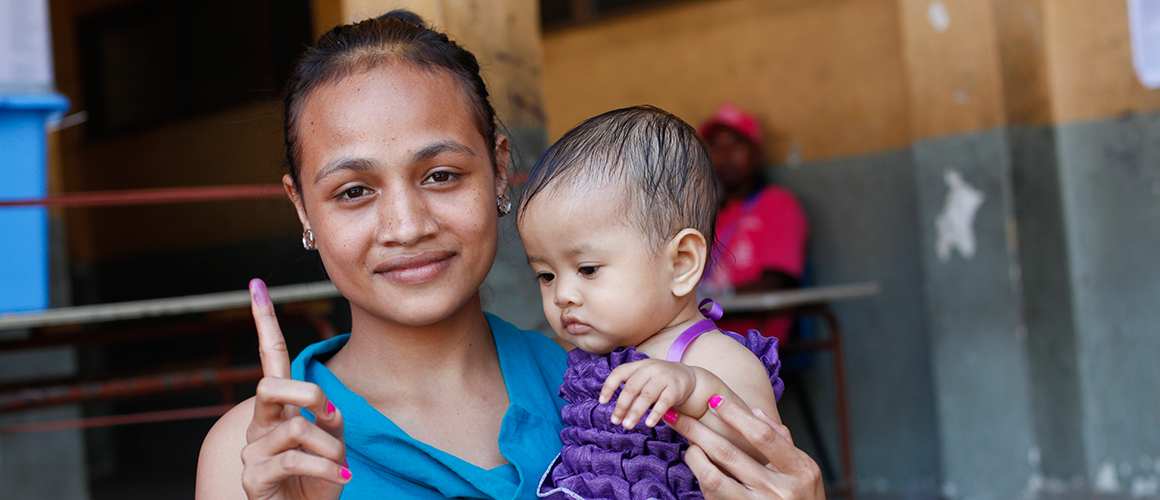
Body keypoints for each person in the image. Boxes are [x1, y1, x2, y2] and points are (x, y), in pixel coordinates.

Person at [196, 12, 824, 500]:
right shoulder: (258, 455)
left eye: (441, 175)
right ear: (303, 209)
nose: (406, 226)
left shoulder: (618, 395)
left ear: (499, 171)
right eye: (353, 191)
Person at [517, 106, 785, 500]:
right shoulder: (592, 360)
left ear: (681, 264)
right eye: (546, 275)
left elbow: (764, 452)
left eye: (587, 269)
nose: (562, 295)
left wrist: (695, 390)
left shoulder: (709, 355)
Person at [699, 104, 810, 346]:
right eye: (716, 146)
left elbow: (778, 282)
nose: (725, 155)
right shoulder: (710, 214)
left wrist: (717, 297)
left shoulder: (778, 205)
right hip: (705, 335)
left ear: (756, 153)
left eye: (736, 144)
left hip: (756, 339)